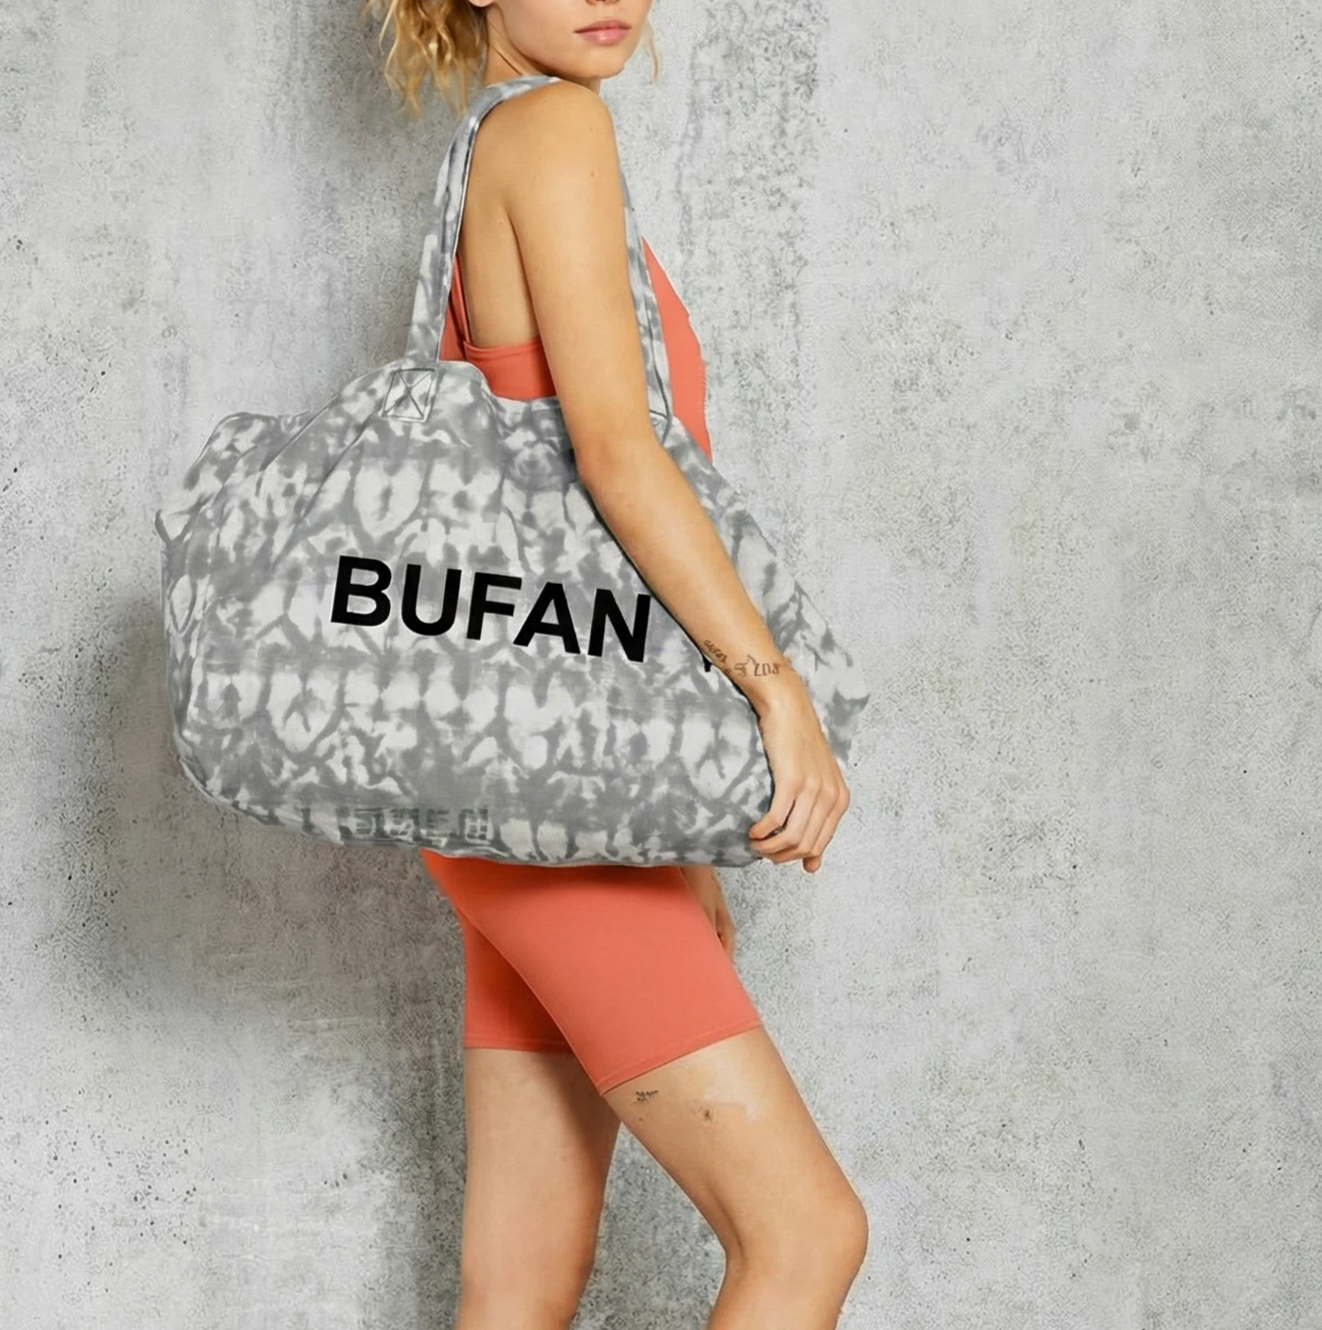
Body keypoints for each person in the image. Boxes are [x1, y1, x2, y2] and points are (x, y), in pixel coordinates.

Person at [364, 3, 868, 1326]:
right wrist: (773, 687)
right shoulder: (554, 129)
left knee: (520, 1286)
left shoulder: (490, 145)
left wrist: (673, 853)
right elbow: (618, 458)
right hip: (559, 812)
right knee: (804, 1234)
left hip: (517, 793)